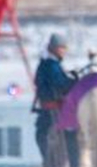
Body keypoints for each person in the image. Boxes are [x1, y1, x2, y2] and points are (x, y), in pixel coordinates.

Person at [33, 34, 78, 167]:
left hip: (48, 112)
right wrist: (75, 82)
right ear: (53, 48)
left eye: (65, 48)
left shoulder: (48, 64)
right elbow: (60, 83)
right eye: (61, 47)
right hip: (53, 113)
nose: (64, 51)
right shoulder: (51, 65)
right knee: (71, 141)